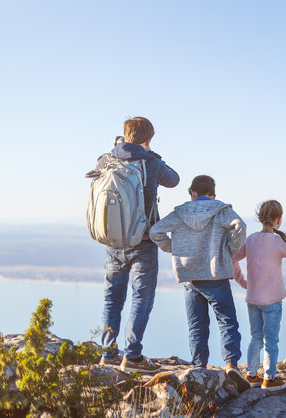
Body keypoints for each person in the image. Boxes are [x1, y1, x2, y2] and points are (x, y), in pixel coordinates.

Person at [150, 175, 250, 390]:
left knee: (197, 325)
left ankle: (199, 367)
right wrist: (228, 251)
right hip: (216, 275)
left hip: (190, 276)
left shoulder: (179, 213)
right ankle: (231, 364)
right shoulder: (221, 210)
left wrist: (174, 248)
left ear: (192, 192)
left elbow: (155, 231)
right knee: (227, 321)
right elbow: (240, 226)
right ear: (213, 195)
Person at [100, 117, 179, 373]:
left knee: (112, 298)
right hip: (143, 241)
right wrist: (151, 154)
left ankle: (108, 353)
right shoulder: (151, 162)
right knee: (141, 298)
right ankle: (132, 357)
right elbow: (174, 179)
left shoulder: (106, 160)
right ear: (148, 139)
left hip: (114, 242)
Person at [232, 200, 286, 391]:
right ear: (278, 219)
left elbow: (233, 260)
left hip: (252, 298)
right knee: (271, 340)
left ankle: (250, 375)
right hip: (272, 301)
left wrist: (244, 283)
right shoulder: (278, 242)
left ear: (260, 218)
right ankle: (269, 379)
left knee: (255, 337)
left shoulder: (250, 239)